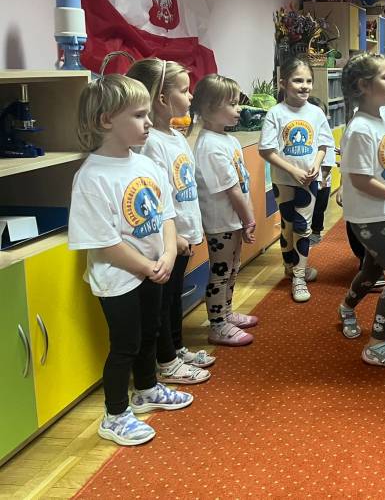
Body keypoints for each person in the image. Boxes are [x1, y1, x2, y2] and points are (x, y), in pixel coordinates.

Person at [69, 74, 192, 446]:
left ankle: (147, 389)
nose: (149, 122)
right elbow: (104, 243)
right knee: (125, 345)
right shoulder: (91, 177)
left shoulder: (146, 165)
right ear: (107, 120)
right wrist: (147, 266)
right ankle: (115, 414)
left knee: (149, 334)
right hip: (119, 277)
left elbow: (166, 215)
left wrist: (167, 253)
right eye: (139, 115)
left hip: (153, 270)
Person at [126, 59, 212, 384]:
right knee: (161, 303)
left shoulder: (174, 135)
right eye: (185, 90)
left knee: (174, 297)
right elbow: (157, 195)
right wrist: (172, 238)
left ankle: (176, 348)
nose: (190, 97)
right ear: (162, 99)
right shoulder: (151, 144)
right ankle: (167, 361)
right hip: (167, 240)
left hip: (183, 233)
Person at [337, 54, 385, 368]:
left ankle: (346, 308)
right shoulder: (360, 129)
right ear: (363, 86)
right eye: (384, 77)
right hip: (368, 217)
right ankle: (377, 345)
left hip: (384, 212)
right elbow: (360, 180)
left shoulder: (384, 120)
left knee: (371, 270)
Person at [259, 58, 334, 303]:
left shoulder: (316, 112)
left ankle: (299, 276)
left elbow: (324, 143)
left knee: (303, 227)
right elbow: (266, 150)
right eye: (298, 80)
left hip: (308, 181)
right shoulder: (275, 113)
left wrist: (317, 164)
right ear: (283, 83)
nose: (305, 86)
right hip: (284, 179)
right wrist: (292, 170)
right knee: (288, 225)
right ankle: (290, 267)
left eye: (308, 81)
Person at [193, 74, 257, 346]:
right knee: (221, 272)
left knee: (232, 268)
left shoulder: (228, 140)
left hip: (234, 219)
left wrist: (246, 218)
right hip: (221, 223)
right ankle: (217, 325)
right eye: (231, 104)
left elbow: (241, 184)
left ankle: (227, 313)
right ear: (209, 108)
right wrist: (249, 219)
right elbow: (232, 191)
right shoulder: (209, 146)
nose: (238, 109)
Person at [307, 96, 334, 247]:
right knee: (307, 207)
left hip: (322, 181)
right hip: (308, 178)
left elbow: (328, 161)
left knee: (319, 208)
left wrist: (323, 178)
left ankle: (316, 232)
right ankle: (306, 232)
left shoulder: (325, 133)